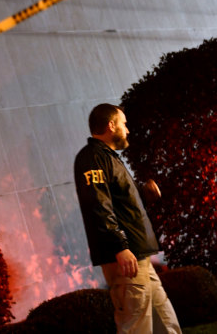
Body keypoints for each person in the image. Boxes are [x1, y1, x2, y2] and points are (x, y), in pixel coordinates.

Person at [74, 103, 181, 334]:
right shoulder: (93, 158)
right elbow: (98, 204)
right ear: (111, 125)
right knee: (136, 326)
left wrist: (143, 194)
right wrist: (120, 246)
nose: (128, 130)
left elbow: (117, 200)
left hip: (138, 257)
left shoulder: (108, 158)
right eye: (124, 124)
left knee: (165, 322)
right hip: (126, 258)